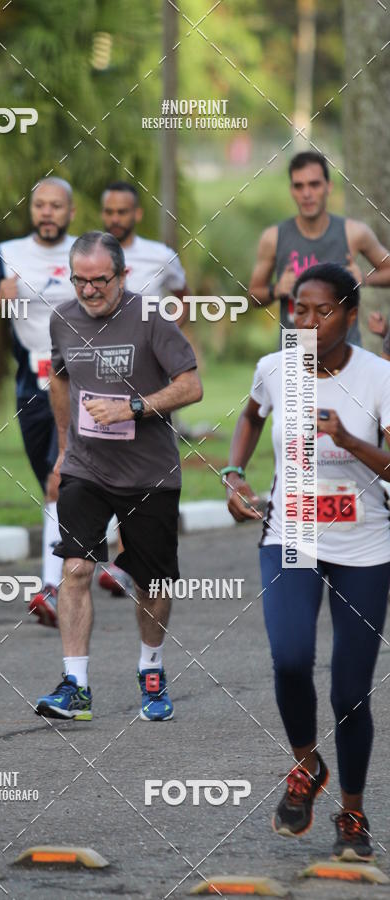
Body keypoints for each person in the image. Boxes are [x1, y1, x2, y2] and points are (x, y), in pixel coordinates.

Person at [225, 262, 390, 860]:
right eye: (300, 310)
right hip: (290, 534)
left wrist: (349, 440)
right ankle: (305, 764)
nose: (309, 323)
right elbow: (249, 415)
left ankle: (352, 812)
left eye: (323, 312)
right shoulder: (276, 366)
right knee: (290, 657)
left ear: (350, 313)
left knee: (350, 692)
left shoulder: (379, 377)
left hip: (365, 545)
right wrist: (234, 473)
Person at [35, 231, 202, 722]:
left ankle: (151, 668)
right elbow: (60, 380)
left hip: (149, 473)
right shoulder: (62, 319)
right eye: (80, 280)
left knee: (151, 582)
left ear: (123, 276)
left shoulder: (152, 319)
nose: (89, 290)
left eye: (99, 281)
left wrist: (134, 406)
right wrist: (65, 450)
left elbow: (190, 385)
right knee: (76, 568)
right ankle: (76, 685)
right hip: (87, 469)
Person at [0, 177, 77, 628]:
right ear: (31, 210)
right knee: (51, 482)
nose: (47, 212)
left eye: (56, 205)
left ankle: (53, 586)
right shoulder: (9, 253)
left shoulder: (88, 252)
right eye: (40, 205)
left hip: (83, 378)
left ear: (70, 211)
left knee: (61, 478)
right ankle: (90, 549)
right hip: (31, 385)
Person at [98, 180, 191, 597]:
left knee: (143, 459)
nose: (115, 219)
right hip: (101, 370)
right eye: (109, 212)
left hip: (149, 375)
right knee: (106, 455)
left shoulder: (160, 255)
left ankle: (130, 556)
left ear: (137, 214)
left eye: (123, 212)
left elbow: (182, 296)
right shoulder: (93, 254)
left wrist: (168, 341)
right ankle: (120, 560)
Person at [249, 151, 390, 345]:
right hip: (295, 355)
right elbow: (254, 295)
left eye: (314, 184)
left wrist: (364, 279)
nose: (306, 194)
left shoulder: (354, 233)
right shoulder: (273, 238)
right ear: (292, 190)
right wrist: (276, 290)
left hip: (345, 354)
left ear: (328, 187)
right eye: (299, 186)